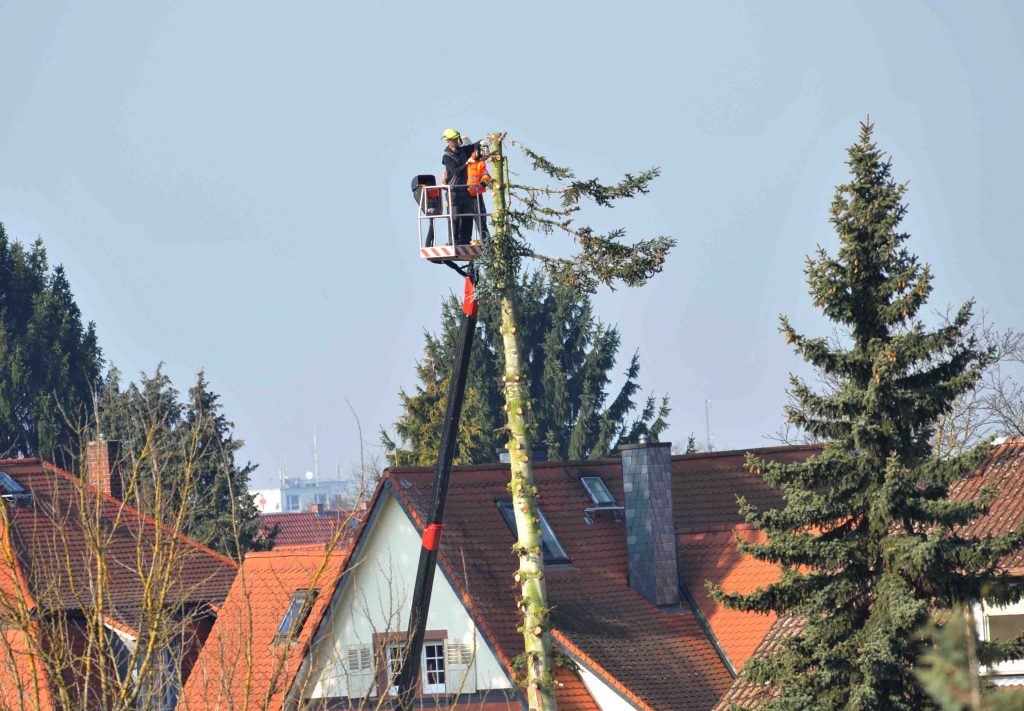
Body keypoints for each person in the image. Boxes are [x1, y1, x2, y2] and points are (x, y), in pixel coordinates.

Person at [440, 128, 482, 245]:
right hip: (453, 191)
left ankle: (465, 240)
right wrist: (467, 163)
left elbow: (473, 146)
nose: (456, 141)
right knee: (454, 217)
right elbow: (456, 171)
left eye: (456, 138)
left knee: (468, 215)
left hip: (465, 189)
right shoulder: (447, 157)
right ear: (448, 141)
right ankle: (453, 241)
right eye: (453, 139)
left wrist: (483, 141)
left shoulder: (463, 151)